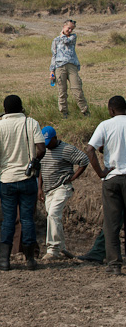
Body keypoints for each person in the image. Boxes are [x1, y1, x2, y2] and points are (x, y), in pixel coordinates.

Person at [0, 95, 45, 270]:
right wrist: (33, 162)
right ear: (21, 108)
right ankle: (30, 260)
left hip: (7, 179)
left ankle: (4, 260)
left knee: (8, 220)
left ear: (4, 110)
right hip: (28, 179)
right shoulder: (31, 123)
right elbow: (41, 148)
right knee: (27, 219)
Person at [85, 95, 126, 275]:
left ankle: (114, 265)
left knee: (112, 224)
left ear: (111, 110)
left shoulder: (105, 125)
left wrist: (101, 172)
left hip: (112, 178)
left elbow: (90, 149)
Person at [38, 126, 89, 260]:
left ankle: (52, 250)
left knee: (53, 214)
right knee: (53, 217)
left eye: (49, 142)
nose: (47, 145)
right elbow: (41, 170)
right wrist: (39, 188)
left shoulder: (67, 149)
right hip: (48, 190)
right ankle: (62, 249)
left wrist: (73, 178)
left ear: (55, 138)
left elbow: (84, 160)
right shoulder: (43, 150)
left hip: (62, 187)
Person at [50, 19, 89, 118]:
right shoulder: (55, 40)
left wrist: (62, 34)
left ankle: (85, 111)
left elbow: (66, 41)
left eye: (72, 29)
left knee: (77, 89)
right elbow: (54, 55)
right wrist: (52, 71)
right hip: (60, 67)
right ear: (64, 26)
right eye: (69, 28)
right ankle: (64, 113)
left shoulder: (72, 37)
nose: (70, 30)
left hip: (72, 66)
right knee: (62, 91)